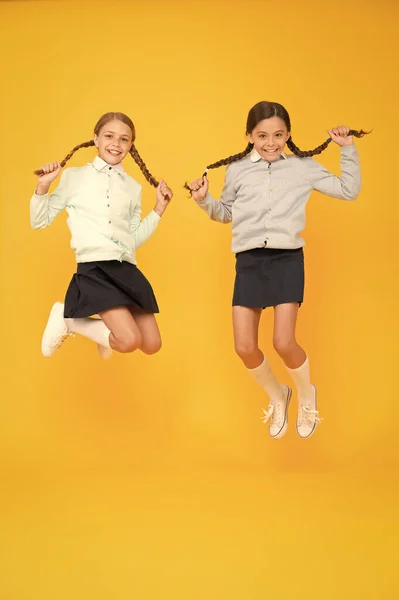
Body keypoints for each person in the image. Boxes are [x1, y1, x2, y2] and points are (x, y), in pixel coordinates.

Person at [186, 101, 367, 439]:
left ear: (288, 135)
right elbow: (226, 213)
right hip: (249, 260)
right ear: (249, 136)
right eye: (262, 136)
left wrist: (347, 150)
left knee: (284, 341)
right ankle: (278, 395)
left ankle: (307, 396)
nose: (271, 143)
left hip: (286, 259)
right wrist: (203, 200)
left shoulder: (302, 166)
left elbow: (348, 189)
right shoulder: (237, 170)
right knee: (244, 346)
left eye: (279, 135)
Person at [31, 111, 172, 361]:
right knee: (128, 340)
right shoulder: (74, 177)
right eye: (109, 136)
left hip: (126, 269)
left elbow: (133, 239)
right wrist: (43, 186)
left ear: (130, 145)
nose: (116, 144)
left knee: (152, 344)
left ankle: (103, 332)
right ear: (95, 139)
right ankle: (68, 319)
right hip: (95, 268)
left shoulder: (133, 187)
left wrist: (158, 209)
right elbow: (39, 221)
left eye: (124, 139)